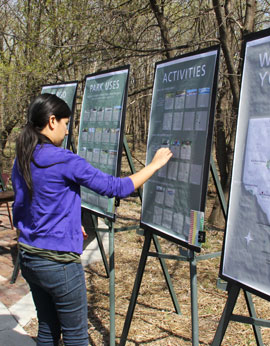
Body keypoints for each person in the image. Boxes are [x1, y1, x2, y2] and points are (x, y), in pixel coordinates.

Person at [12, 93, 172, 346]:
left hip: (30, 257)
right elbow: (116, 188)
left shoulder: (22, 157)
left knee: (47, 330)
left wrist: (69, 226)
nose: (66, 132)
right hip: (59, 263)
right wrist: (153, 165)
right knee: (76, 336)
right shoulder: (65, 160)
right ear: (52, 121)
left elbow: (27, 207)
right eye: (66, 124)